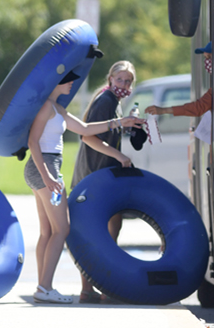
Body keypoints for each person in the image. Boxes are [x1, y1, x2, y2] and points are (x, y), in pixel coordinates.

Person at [25, 71, 144, 304]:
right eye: (68, 79)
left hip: (44, 168)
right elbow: (33, 141)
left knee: (48, 231)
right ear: (56, 82)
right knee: (62, 229)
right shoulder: (46, 107)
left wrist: (121, 122)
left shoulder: (58, 109)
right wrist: (48, 176)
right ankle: (45, 287)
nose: (72, 83)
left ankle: (42, 286)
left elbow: (85, 129)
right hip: (45, 167)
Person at [70, 61, 143, 304]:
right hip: (94, 173)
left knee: (109, 228)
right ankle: (98, 286)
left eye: (128, 81)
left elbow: (107, 133)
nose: (123, 84)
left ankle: (94, 287)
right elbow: (88, 137)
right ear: (110, 78)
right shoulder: (106, 100)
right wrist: (119, 155)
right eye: (119, 79)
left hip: (102, 173)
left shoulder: (115, 101)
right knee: (101, 232)